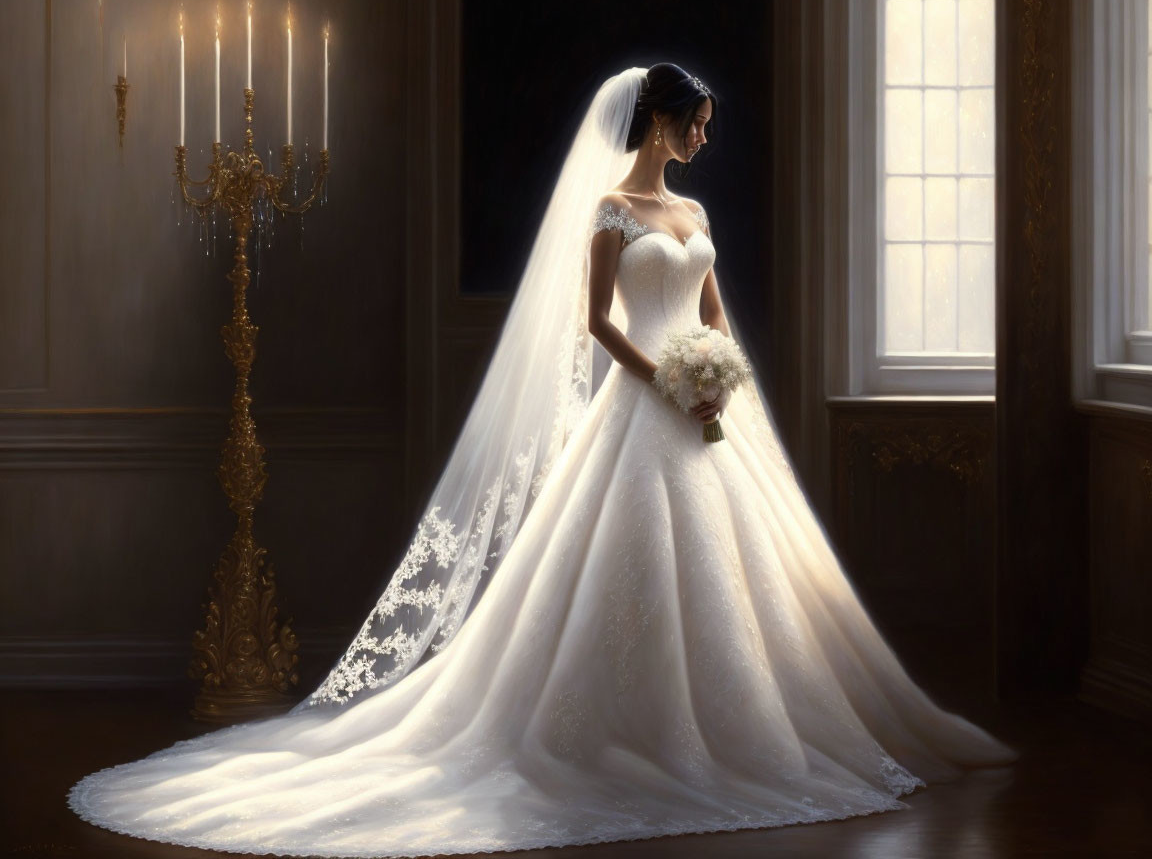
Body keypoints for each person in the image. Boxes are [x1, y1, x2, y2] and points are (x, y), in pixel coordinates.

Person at [68, 63, 1018, 858]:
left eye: (707, 128)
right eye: (694, 123)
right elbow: (597, 321)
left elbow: (715, 312)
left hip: (698, 406)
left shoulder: (691, 212)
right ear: (659, 117)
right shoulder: (611, 209)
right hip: (643, 404)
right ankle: (616, 736)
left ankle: (744, 729)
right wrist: (665, 381)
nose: (701, 139)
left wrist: (717, 376)